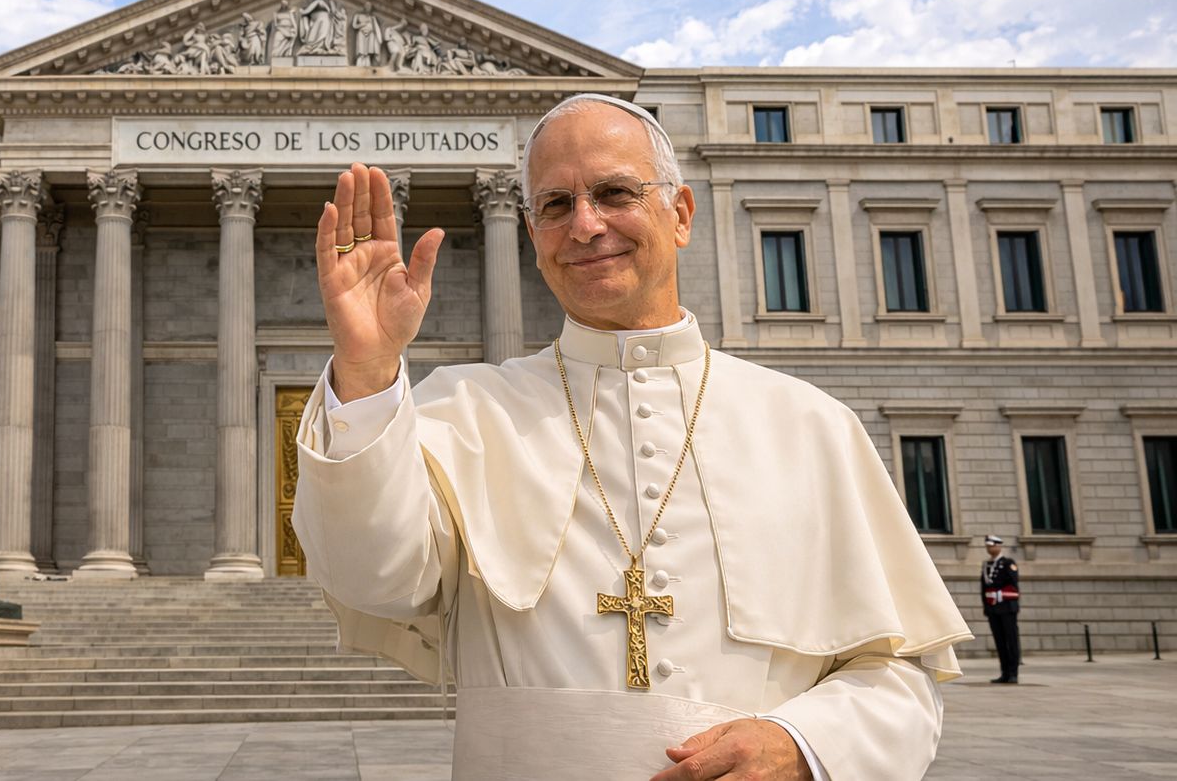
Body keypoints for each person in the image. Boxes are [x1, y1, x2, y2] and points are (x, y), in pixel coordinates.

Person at [292, 93, 973, 780]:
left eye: (615, 193)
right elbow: (372, 579)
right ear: (532, 237)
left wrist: (803, 745)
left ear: (680, 214)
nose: (585, 225)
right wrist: (368, 370)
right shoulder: (463, 411)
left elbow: (900, 677)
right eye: (555, 205)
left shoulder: (812, 426)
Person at [980, 534, 1021, 683]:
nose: (989, 548)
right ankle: (1004, 672)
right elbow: (983, 588)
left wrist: (998, 595)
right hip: (993, 609)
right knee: (1000, 642)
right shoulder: (986, 565)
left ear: (999, 546)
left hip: (1007, 608)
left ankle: (1013, 673)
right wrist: (986, 606)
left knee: (1011, 640)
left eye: (991, 546)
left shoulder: (1008, 563)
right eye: (987, 546)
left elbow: (1013, 584)